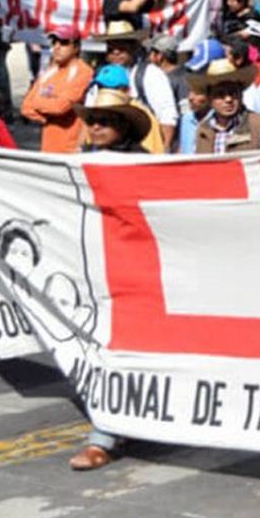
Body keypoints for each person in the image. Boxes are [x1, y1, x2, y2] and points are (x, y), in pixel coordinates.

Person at [66, 86, 153, 471]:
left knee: (123, 351)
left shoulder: (143, 165)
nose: (96, 127)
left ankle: (104, 436)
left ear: (123, 126)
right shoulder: (77, 162)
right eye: (92, 121)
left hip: (134, 271)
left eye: (105, 121)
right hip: (90, 268)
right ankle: (119, 424)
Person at [92, 21, 178, 147]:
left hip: (144, 148)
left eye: (121, 47)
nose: (116, 52)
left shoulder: (149, 74)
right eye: (111, 48)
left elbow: (167, 115)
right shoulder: (100, 77)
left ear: (134, 47)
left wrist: (163, 150)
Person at [20, 25, 94, 153]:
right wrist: (49, 113)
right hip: (47, 148)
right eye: (54, 42)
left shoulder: (83, 72)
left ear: (76, 47)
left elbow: (60, 107)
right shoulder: (50, 72)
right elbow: (26, 107)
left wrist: (40, 104)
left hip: (70, 150)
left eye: (64, 43)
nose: (57, 47)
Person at [190, 60, 260, 152]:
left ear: (241, 94)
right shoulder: (202, 131)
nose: (228, 99)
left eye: (233, 93)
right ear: (209, 99)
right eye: (220, 94)